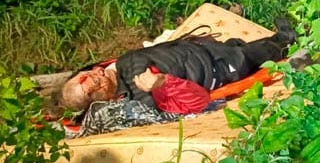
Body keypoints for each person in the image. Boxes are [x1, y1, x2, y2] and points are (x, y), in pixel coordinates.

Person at [59, 30, 296, 115]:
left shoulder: (120, 66)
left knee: (241, 47)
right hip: (216, 69)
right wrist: (160, 84)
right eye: (91, 84)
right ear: (100, 96)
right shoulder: (135, 86)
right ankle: (288, 40)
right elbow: (191, 100)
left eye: (88, 73)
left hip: (204, 51)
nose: (96, 73)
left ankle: (277, 40)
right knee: (254, 55)